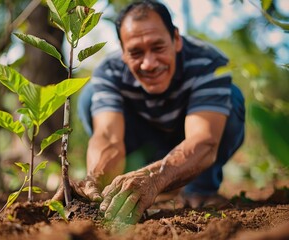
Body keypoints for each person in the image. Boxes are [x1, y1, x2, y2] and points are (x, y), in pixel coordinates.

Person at [56, 0, 245, 224]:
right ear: (123, 52)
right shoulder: (110, 72)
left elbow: (203, 140)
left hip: (188, 147)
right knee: (90, 95)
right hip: (139, 148)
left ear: (176, 39)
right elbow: (108, 136)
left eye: (158, 47)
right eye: (135, 52)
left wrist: (153, 178)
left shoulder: (208, 61)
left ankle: (200, 187)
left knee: (230, 98)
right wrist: (94, 180)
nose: (149, 64)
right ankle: (126, 184)